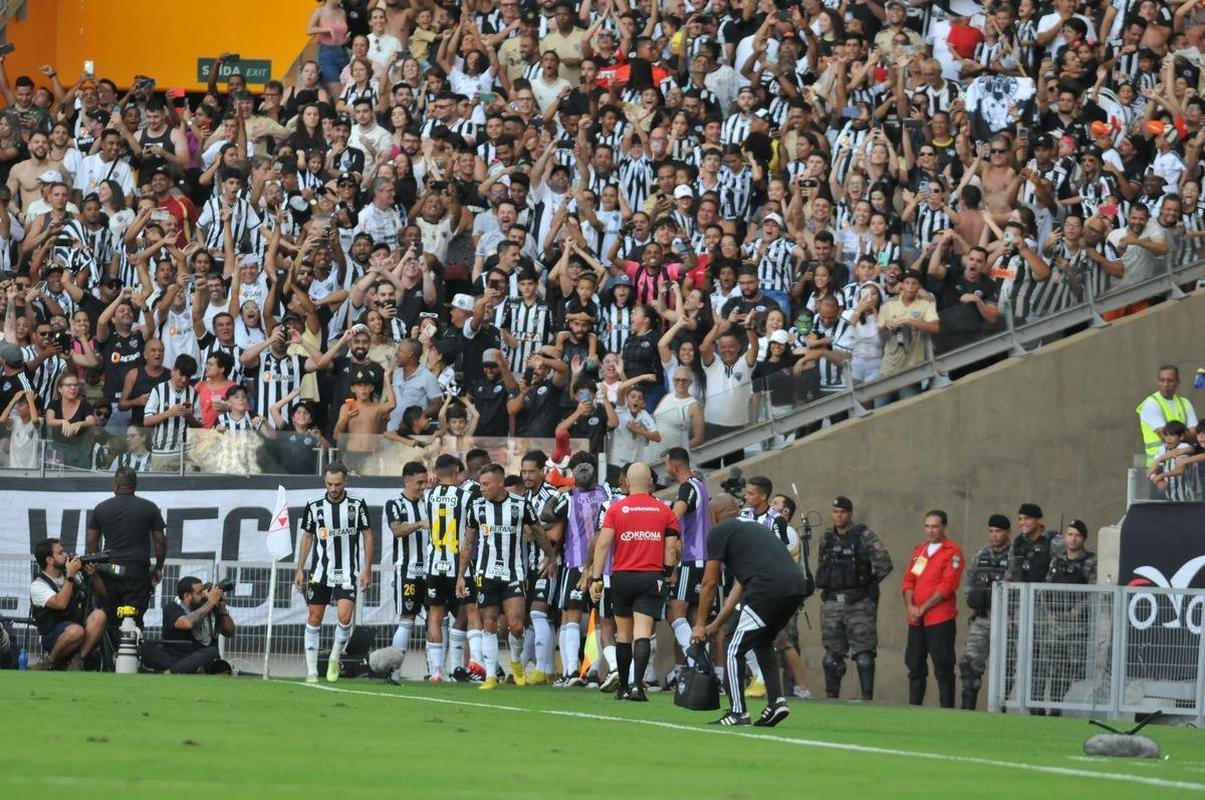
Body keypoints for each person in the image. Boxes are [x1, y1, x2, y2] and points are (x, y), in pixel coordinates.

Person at [692, 516, 808, 727]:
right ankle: (776, 701)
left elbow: (709, 583)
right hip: (796, 586)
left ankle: (738, 712)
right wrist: (715, 624)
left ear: (714, 514)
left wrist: (699, 623)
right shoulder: (752, 531)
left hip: (768, 587)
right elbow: (740, 586)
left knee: (733, 647)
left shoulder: (719, 531)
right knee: (762, 641)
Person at [589, 462, 679, 701]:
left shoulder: (616, 509)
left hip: (622, 577)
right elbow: (672, 549)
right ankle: (638, 686)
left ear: (627, 482)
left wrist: (596, 578)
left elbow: (603, 544)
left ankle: (623, 687)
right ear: (650, 481)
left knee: (623, 635)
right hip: (651, 577)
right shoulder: (664, 510)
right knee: (642, 632)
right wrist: (668, 574)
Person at [457, 462, 549, 690]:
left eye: (486, 484)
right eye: (480, 484)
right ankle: (490, 675)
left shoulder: (521, 505)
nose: (482, 489)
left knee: (516, 625)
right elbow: (468, 542)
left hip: (514, 572)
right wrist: (461, 575)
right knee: (489, 623)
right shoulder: (477, 507)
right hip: (485, 573)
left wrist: (550, 556)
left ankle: (516, 661)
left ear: (500, 483)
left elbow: (538, 531)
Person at [295, 461, 374, 684]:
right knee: (314, 617)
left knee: (345, 617)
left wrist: (367, 568)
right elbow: (307, 536)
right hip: (320, 571)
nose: (333, 489)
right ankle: (311, 671)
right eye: (329, 484)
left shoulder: (357, 505)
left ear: (345, 481)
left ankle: (334, 657)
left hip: (347, 571)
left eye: (337, 484)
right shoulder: (314, 505)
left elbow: (368, 535)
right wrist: (300, 568)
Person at [815, 495, 894, 700]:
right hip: (833, 603)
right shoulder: (827, 538)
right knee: (831, 657)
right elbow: (823, 565)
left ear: (849, 514)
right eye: (835, 512)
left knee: (864, 656)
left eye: (842, 512)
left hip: (859, 604)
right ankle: (832, 698)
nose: (838, 516)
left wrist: (867, 584)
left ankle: (866, 699)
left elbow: (884, 564)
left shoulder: (864, 536)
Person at [544, 452, 612, 686]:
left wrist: (555, 495)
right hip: (591, 565)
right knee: (589, 617)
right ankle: (581, 672)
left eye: (586, 467)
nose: (582, 471)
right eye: (578, 468)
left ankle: (581, 671)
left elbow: (546, 514)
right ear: (572, 473)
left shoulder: (574, 496)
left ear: (594, 469)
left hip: (589, 565)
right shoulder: (606, 493)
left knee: (581, 617)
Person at [85, 467, 166, 628]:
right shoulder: (150, 507)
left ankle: (109, 652)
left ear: (115, 485)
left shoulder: (101, 508)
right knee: (133, 617)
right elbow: (160, 542)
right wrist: (158, 567)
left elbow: (91, 542)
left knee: (107, 616)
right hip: (137, 571)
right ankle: (133, 651)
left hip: (109, 569)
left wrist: (96, 565)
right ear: (135, 486)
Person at [1032, 519, 1097, 714]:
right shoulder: (1057, 560)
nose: (1073, 539)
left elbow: (1095, 591)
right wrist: (1048, 613)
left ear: (1083, 538)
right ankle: (1055, 710)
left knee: (1074, 671)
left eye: (1077, 535)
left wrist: (1078, 609)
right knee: (1055, 670)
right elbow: (1045, 589)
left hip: (1078, 629)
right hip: (1056, 627)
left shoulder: (1091, 561)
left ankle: (1069, 711)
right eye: (1070, 534)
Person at [901, 509, 964, 708]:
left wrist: (924, 606)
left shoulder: (952, 552)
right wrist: (911, 605)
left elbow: (946, 586)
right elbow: (910, 580)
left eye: (935, 526)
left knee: (943, 667)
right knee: (915, 665)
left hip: (940, 619)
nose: (930, 531)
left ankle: (947, 710)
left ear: (944, 527)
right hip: (916, 619)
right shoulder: (920, 552)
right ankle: (914, 708)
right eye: (927, 526)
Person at [664, 447, 711, 677]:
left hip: (692, 560)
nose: (665, 468)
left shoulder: (688, 487)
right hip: (703, 559)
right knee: (694, 617)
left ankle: (698, 663)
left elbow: (673, 518)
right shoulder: (701, 486)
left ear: (674, 464)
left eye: (666, 463)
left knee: (674, 611)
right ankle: (703, 668)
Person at [960, 514, 1012, 710]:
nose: (994, 535)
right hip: (982, 618)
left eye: (998, 531)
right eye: (991, 531)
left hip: (1007, 620)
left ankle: (1001, 710)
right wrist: (972, 600)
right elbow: (969, 581)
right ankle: (968, 710)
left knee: (1006, 670)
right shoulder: (981, 554)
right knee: (969, 665)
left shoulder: (1015, 555)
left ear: (1008, 533)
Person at [29, 538, 107, 669]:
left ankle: (77, 661)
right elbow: (61, 604)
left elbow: (101, 592)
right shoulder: (38, 585)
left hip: (79, 629)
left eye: (64, 551)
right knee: (75, 631)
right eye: (60, 553)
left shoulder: (72, 574)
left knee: (99, 615)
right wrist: (70, 576)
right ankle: (50, 662)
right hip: (53, 635)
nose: (66, 555)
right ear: (49, 560)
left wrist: (93, 575)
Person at [384, 460, 429, 684]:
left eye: (425, 482)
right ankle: (394, 671)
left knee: (436, 620)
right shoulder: (395, 503)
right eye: (419, 482)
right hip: (408, 571)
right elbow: (397, 530)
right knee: (407, 619)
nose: (423, 487)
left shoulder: (429, 502)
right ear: (407, 481)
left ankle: (436, 672)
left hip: (431, 572)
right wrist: (420, 524)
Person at [142, 576, 235, 674]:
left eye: (203, 591)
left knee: (212, 652)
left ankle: (171, 672)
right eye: (199, 593)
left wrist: (222, 610)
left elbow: (230, 632)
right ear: (186, 596)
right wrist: (211, 602)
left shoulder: (210, 607)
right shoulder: (172, 608)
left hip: (201, 657)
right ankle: (186, 669)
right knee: (146, 650)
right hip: (175, 656)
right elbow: (187, 623)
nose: (203, 595)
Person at [1136, 364, 1198, 466]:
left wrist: (1177, 434)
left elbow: (1196, 434)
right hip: (1158, 466)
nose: (1166, 384)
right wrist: (1186, 433)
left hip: (1184, 464)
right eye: (1162, 380)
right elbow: (1165, 435)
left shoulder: (1185, 403)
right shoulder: (1151, 404)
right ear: (1157, 382)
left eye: (1170, 380)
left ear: (1178, 382)